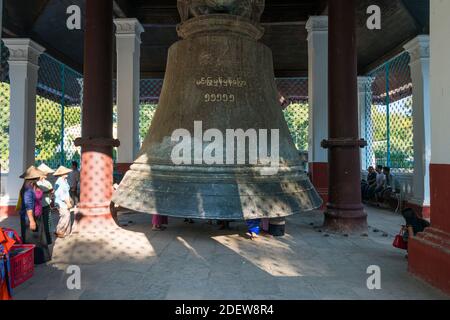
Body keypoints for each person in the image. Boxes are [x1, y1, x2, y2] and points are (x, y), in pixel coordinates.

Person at [18, 166, 51, 264]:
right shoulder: (27, 189)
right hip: (30, 217)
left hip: (38, 215)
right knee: (32, 239)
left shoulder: (34, 185)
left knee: (40, 238)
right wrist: (32, 221)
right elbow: (28, 207)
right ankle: (33, 260)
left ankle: (41, 258)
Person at [36, 163, 54, 245]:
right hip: (40, 206)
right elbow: (38, 193)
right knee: (41, 224)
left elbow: (50, 192)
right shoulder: (37, 183)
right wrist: (48, 191)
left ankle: (47, 240)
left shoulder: (46, 182)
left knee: (47, 224)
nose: (47, 174)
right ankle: (42, 240)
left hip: (46, 204)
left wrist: (51, 193)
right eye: (46, 173)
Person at [54, 166, 73, 238]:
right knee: (65, 216)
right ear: (61, 174)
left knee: (66, 216)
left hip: (65, 201)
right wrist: (67, 202)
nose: (67, 173)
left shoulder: (65, 180)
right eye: (65, 172)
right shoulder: (59, 182)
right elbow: (61, 194)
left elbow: (66, 192)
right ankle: (59, 231)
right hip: (62, 202)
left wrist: (69, 199)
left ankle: (65, 232)